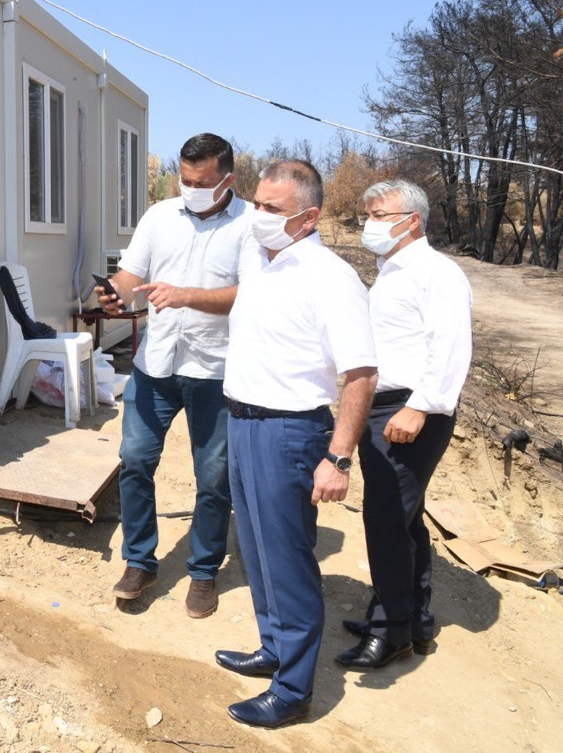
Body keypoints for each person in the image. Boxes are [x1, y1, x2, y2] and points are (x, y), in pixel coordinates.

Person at [213, 159, 377, 728]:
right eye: (256, 203)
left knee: (287, 559)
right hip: (243, 421)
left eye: (271, 209)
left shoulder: (331, 277)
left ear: (307, 217)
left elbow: (360, 375)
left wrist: (338, 457)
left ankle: (293, 689)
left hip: (289, 431)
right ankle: (273, 646)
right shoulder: (260, 260)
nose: (256, 216)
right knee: (256, 550)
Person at [96, 133, 253, 619]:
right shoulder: (160, 216)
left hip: (217, 371)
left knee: (213, 478)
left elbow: (251, 295)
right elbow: (130, 273)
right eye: (183, 180)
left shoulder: (251, 225)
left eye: (201, 182)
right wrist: (117, 294)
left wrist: (186, 296)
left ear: (228, 178)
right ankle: (140, 562)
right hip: (157, 366)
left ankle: (204, 571)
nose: (190, 189)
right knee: (135, 460)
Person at [336, 180, 473, 670]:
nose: (368, 223)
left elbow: (451, 347)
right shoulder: (392, 270)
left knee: (388, 519)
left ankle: (391, 631)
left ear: (411, 219)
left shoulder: (436, 272)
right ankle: (412, 618)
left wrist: (420, 407)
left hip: (410, 409)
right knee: (404, 519)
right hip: (386, 406)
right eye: (367, 214)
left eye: (378, 214)